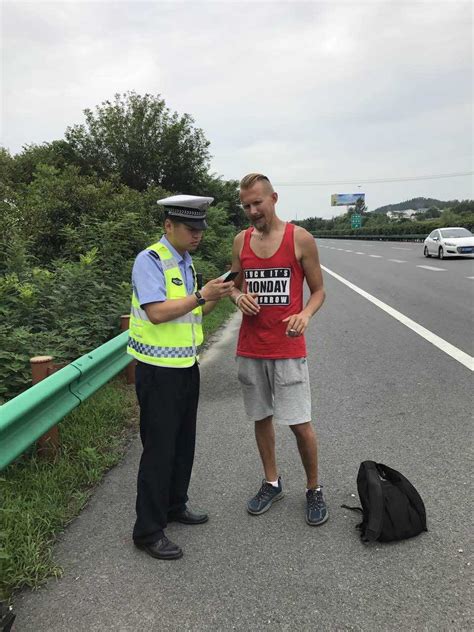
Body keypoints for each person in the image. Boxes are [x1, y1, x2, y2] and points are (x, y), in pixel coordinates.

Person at [128, 194, 234, 560]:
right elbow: (157, 312)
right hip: (158, 373)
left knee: (182, 444)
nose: (197, 235)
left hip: (186, 367)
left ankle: (175, 505)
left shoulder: (186, 263)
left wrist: (219, 291)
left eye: (200, 229)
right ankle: (148, 530)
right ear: (168, 226)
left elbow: (196, 309)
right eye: (191, 229)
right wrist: (200, 295)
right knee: (158, 451)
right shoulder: (150, 261)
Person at [230, 173, 328, 526]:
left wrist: (304, 313)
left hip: (287, 347)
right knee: (261, 418)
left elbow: (318, 291)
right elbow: (232, 286)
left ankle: (313, 488)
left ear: (274, 198)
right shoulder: (240, 241)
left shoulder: (300, 238)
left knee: (300, 423)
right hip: (251, 347)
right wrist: (239, 296)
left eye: (258, 202)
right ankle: (271, 482)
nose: (253, 210)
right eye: (246, 205)